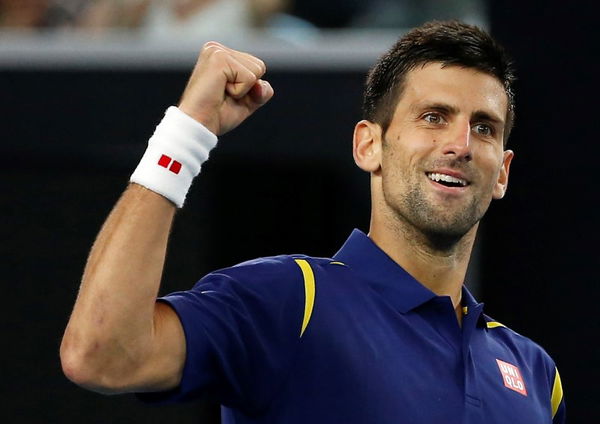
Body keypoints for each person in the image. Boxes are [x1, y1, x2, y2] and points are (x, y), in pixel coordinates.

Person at [60, 21, 566, 423]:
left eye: (484, 127)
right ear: (369, 145)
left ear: (501, 171)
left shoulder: (536, 375)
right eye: (433, 117)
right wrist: (186, 135)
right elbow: (101, 353)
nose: (460, 145)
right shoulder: (290, 300)